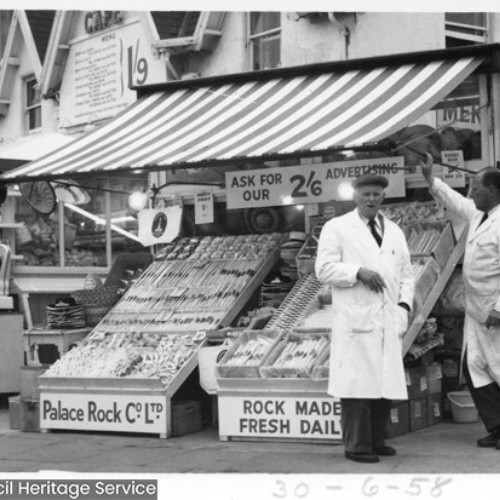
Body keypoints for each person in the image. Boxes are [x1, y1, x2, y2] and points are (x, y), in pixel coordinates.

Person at [315, 173, 414, 463]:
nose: (371, 199)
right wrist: (357, 272)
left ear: (384, 197)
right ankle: (357, 446)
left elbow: (407, 274)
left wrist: (404, 306)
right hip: (356, 320)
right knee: (357, 386)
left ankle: (376, 440)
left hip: (387, 317)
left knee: (383, 384)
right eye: (365, 194)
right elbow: (324, 269)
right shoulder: (337, 228)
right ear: (355, 197)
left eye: (376, 194)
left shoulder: (394, 231)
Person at [420, 153, 500, 449]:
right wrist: (430, 179)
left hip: (494, 311)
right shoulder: (479, 214)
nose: (472, 193)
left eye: (477, 189)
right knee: (474, 366)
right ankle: (497, 426)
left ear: (492, 190)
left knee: (497, 367)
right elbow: (455, 201)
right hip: (475, 310)